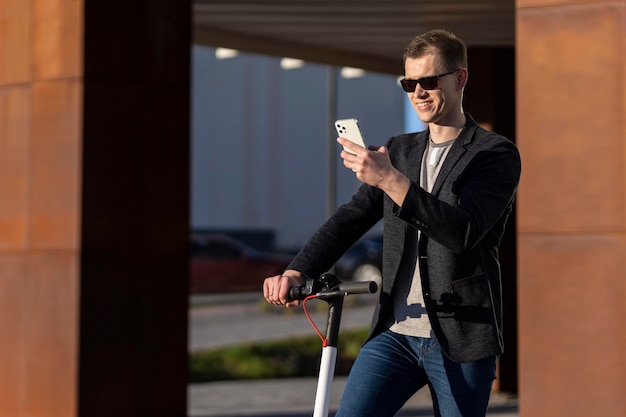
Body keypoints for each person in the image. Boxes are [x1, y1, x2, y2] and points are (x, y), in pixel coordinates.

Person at [263, 29, 521, 417]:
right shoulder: (399, 150)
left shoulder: (494, 154)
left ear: (460, 78)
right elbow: (349, 219)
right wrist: (298, 270)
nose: (418, 92)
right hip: (394, 333)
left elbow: (462, 232)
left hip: (462, 335)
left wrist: (389, 180)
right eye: (409, 83)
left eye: (429, 81)